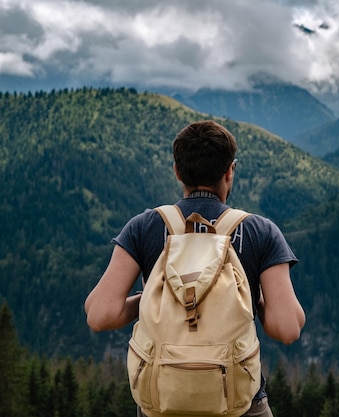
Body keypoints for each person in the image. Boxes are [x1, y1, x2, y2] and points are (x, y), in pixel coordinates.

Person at [84, 120, 306, 417]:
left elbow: (100, 315)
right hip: (239, 406)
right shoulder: (260, 232)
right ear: (230, 171)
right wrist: (249, 302)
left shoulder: (144, 227)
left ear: (177, 171)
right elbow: (287, 329)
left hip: (162, 402)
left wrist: (153, 298)